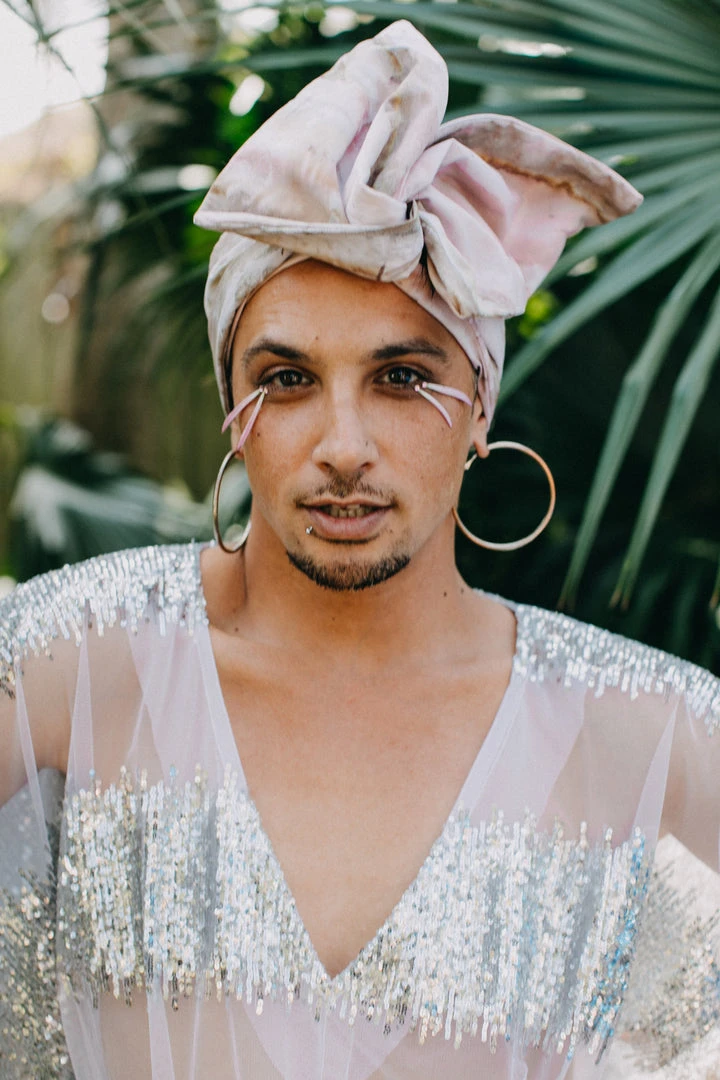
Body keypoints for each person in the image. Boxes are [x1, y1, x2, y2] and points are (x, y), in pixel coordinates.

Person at [1, 19, 718, 1080]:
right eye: (288, 379)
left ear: (479, 406)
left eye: (401, 379)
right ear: (233, 403)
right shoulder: (75, 657)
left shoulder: (641, 724)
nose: (343, 446)